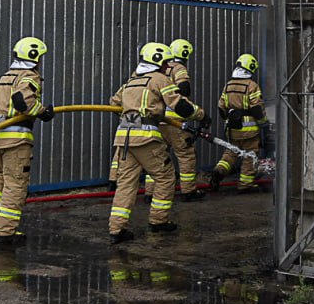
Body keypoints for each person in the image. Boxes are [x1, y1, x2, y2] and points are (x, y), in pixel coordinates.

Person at [107, 41, 204, 243]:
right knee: (166, 176)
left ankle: (117, 229)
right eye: (166, 63)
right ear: (158, 61)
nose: (168, 67)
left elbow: (113, 103)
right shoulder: (159, 79)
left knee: (125, 183)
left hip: (124, 136)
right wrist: (201, 115)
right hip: (146, 137)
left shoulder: (131, 81)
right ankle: (158, 221)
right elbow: (179, 105)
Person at [0, 36, 54, 245]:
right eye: (40, 58)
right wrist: (43, 112)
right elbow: (23, 101)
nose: (41, 62)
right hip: (16, 141)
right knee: (16, 184)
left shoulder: (5, 77)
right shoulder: (28, 76)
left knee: (1, 177)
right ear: (34, 57)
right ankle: (5, 232)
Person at [144, 37, 206, 202]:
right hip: (175, 121)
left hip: (159, 120)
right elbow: (185, 89)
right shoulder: (179, 68)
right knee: (186, 154)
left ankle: (150, 193)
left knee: (158, 157)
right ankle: (188, 191)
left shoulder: (158, 69)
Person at [210, 53, 267, 193]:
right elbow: (256, 109)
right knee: (250, 155)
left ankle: (219, 171)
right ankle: (245, 185)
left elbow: (221, 108)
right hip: (249, 130)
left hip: (232, 128)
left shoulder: (228, 85)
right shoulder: (252, 86)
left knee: (231, 153)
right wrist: (263, 123)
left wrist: (229, 119)